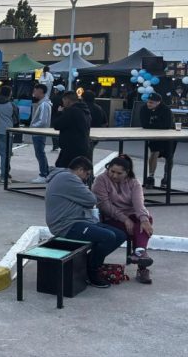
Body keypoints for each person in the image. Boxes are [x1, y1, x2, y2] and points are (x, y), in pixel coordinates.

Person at [45, 155, 126, 288]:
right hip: (66, 225)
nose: (86, 179)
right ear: (80, 170)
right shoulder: (68, 177)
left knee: (120, 235)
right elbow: (91, 200)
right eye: (87, 175)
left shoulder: (64, 177)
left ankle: (87, 263)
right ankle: (92, 272)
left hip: (79, 221)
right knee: (108, 237)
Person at [92, 154, 155, 284]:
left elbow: (139, 204)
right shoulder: (101, 180)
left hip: (132, 217)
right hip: (112, 217)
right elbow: (104, 205)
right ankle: (141, 262)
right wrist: (125, 219)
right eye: (112, 171)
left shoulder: (134, 183)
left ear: (127, 173)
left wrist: (144, 219)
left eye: (119, 173)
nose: (114, 175)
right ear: (108, 168)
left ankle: (139, 253)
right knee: (137, 229)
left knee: (145, 220)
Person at [139, 92, 175, 188]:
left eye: (151, 102)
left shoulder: (166, 110)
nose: (148, 104)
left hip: (169, 136)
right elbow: (144, 124)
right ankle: (151, 177)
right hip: (154, 135)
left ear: (158, 102)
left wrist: (152, 125)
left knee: (169, 157)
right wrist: (156, 125)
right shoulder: (144, 109)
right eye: (148, 102)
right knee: (154, 153)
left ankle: (166, 176)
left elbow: (167, 126)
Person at [52, 91, 92, 168]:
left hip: (71, 147)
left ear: (67, 100)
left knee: (63, 169)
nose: (62, 103)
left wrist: (59, 113)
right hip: (82, 145)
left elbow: (57, 125)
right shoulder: (85, 110)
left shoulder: (72, 111)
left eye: (63, 100)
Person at [0, 85, 20, 183]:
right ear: (9, 93)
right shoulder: (12, 105)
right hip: (6, 132)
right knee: (5, 155)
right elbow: (16, 120)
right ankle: (4, 177)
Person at [29, 84, 53, 184]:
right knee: (39, 153)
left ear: (41, 91)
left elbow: (43, 121)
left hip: (39, 131)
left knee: (40, 153)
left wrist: (32, 126)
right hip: (38, 131)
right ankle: (45, 172)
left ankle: (43, 174)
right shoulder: (43, 103)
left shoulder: (44, 104)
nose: (34, 92)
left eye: (36, 90)